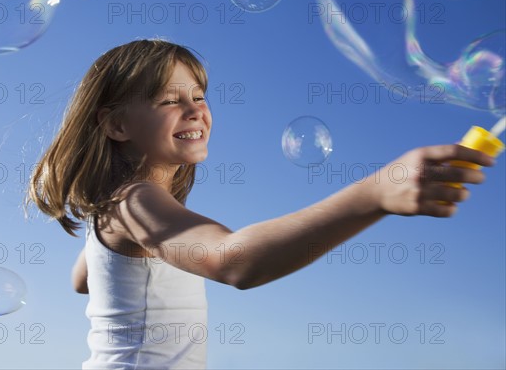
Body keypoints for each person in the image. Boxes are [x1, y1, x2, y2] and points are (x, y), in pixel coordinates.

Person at [25, 39, 494, 369]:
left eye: (200, 95)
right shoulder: (136, 201)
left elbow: (81, 280)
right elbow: (235, 262)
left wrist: (109, 262)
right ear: (117, 126)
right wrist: (375, 194)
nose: (195, 109)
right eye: (170, 99)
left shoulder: (116, 208)